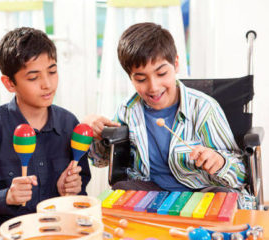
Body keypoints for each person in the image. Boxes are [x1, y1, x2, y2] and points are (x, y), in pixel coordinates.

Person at [84, 22, 252, 209]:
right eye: (141, 79)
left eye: (161, 73)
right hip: (151, 191)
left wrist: (220, 162)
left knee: (225, 198)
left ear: (176, 64)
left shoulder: (204, 108)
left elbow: (241, 173)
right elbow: (101, 160)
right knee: (121, 188)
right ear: (130, 78)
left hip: (200, 191)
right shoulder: (128, 110)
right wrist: (94, 133)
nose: (154, 87)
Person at [0, 27, 91, 239]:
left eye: (52, 72)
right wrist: (5, 197)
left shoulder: (69, 124)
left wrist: (71, 191)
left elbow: (79, 199)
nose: (47, 84)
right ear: (9, 83)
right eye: (33, 77)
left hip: (59, 232)